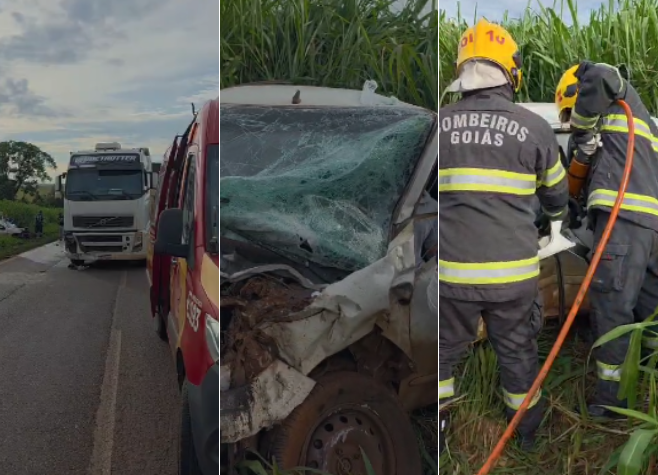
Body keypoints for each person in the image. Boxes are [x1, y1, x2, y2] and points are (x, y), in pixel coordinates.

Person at [439, 19, 569, 454]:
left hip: (451, 275)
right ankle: (526, 436)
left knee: (443, 356)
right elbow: (557, 196)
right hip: (514, 276)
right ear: (510, 72)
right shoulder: (534, 127)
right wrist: (553, 219)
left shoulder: (436, 125)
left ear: (463, 70)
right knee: (517, 354)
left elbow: (420, 195)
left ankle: (442, 432)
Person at [555, 62, 658, 418]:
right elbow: (576, 188)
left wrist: (582, 130)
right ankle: (649, 390)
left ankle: (612, 408)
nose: (572, 121)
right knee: (649, 311)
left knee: (612, 310)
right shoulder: (634, 129)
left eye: (573, 111)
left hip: (623, 224)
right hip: (648, 229)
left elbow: (602, 75)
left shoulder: (620, 100)